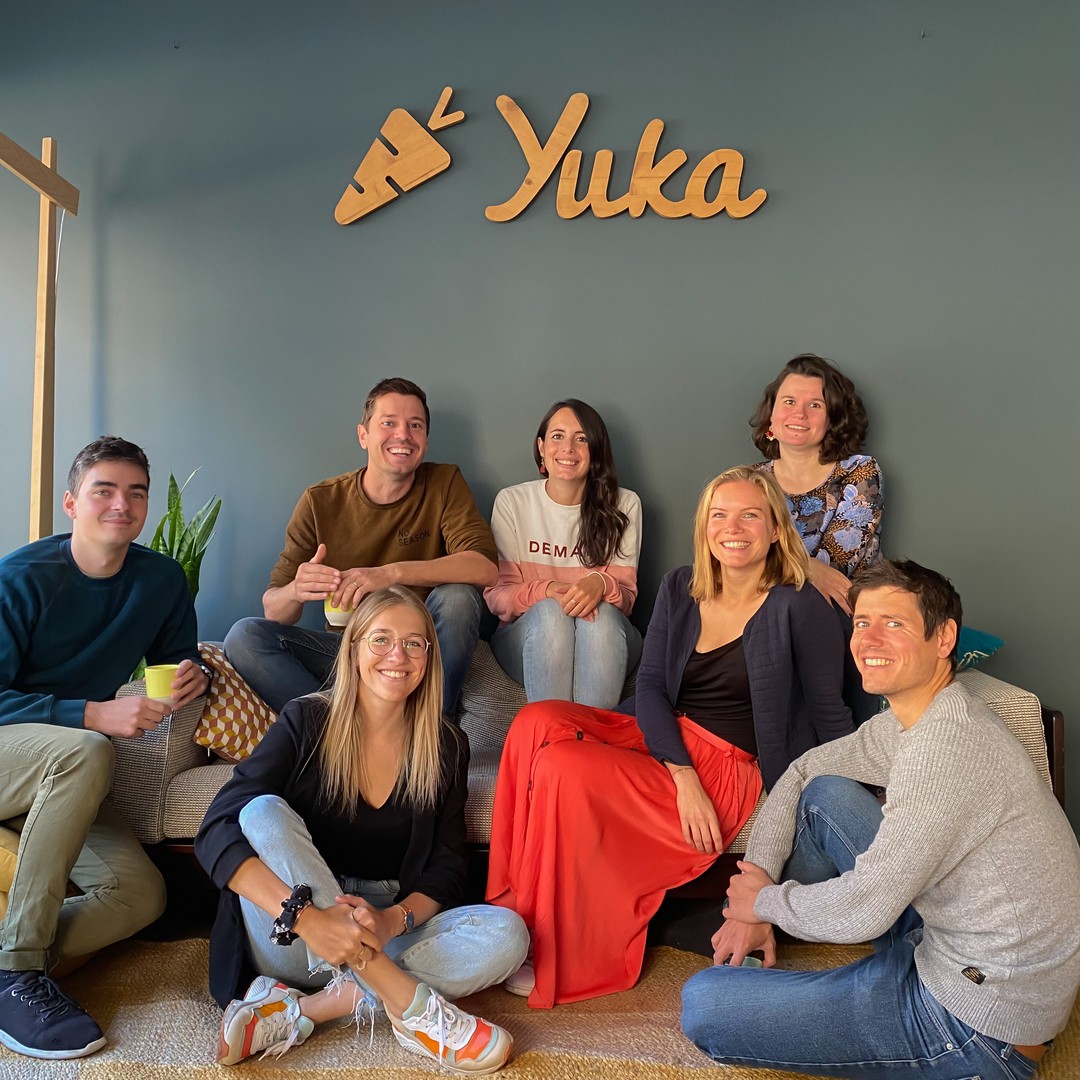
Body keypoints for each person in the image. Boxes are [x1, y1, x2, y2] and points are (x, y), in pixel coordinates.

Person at [682, 559, 1080, 1079]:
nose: (868, 639)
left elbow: (865, 909)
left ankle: (801, 946)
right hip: (953, 946)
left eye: (894, 623)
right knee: (825, 793)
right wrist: (751, 899)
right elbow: (803, 771)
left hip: (980, 1027)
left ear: (944, 639)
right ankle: (782, 935)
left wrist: (762, 902)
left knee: (706, 1002)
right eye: (862, 622)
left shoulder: (943, 749)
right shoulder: (920, 717)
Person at [487, 466, 854, 1008]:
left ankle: (558, 943)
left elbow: (828, 708)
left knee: (566, 766)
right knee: (535, 722)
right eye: (719, 515)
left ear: (776, 528)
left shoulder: (799, 605)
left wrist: (863, 787)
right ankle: (513, 915)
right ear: (704, 526)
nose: (733, 528)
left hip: (722, 765)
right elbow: (654, 686)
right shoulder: (681, 586)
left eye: (750, 515)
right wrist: (681, 775)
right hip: (660, 740)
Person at [197, 586, 528, 1072]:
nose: (398, 655)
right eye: (381, 639)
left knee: (508, 934)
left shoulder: (447, 746)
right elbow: (217, 827)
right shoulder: (306, 719)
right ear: (353, 650)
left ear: (428, 658)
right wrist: (311, 920)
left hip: (384, 927)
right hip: (291, 935)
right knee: (260, 811)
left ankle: (306, 1009)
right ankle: (408, 1005)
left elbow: (447, 867)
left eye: (414, 643)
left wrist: (392, 920)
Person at [0, 436, 210, 1060]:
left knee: (142, 896)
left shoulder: (161, 580)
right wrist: (91, 714)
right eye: (104, 490)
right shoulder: (20, 579)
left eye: (136, 493)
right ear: (71, 503)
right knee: (90, 747)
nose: (122, 504)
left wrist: (195, 674)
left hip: (66, 775)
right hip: (26, 754)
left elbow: (178, 658)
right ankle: (17, 974)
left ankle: (11, 959)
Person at [225, 378, 497, 719]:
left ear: (425, 441)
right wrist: (296, 590)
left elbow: (484, 567)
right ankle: (337, 730)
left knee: (458, 597)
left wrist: (389, 574)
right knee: (244, 636)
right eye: (389, 423)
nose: (403, 435)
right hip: (350, 650)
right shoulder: (320, 501)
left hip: (420, 652)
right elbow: (276, 611)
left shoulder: (444, 483)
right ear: (363, 435)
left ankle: (431, 728)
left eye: (415, 425)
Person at [485, 399, 642, 709]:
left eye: (581, 439)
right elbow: (498, 598)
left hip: (604, 634)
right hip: (525, 636)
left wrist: (600, 584)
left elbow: (626, 600)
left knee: (600, 616)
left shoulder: (625, 505)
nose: (568, 448)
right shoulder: (512, 502)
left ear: (595, 450)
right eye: (557, 436)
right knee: (551, 613)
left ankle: (587, 735)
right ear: (541, 448)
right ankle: (559, 732)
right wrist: (549, 591)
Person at [750, 353, 882, 616]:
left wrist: (765, 562)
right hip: (760, 612)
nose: (799, 414)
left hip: (838, 616)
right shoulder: (750, 481)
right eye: (789, 402)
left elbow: (834, 568)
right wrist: (807, 567)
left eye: (815, 405)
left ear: (833, 419)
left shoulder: (859, 472)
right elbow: (728, 562)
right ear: (771, 415)